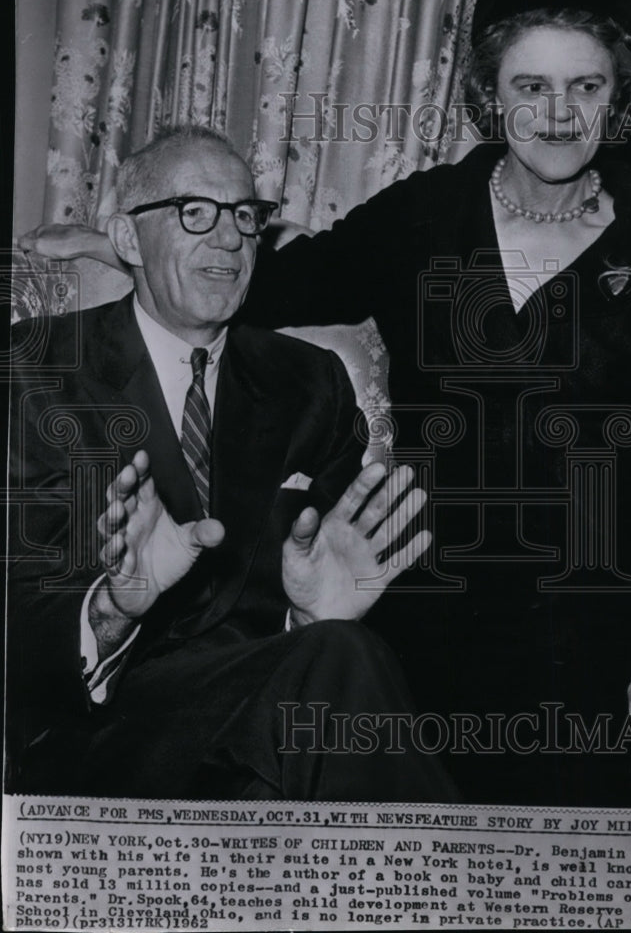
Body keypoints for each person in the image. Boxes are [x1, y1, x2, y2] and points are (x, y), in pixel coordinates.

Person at [19, 0, 631, 807]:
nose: (557, 114)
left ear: (619, 94)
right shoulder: (425, 214)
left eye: (586, 87)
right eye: (530, 85)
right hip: (422, 586)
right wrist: (119, 247)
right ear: (491, 93)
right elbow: (275, 282)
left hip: (595, 608)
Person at [7, 124, 460, 803]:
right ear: (127, 239)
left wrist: (313, 618)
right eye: (195, 212)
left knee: (339, 658)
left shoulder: (309, 381)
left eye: (245, 216)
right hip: (105, 731)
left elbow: (320, 598)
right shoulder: (36, 370)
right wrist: (111, 608)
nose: (229, 239)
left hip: (266, 724)